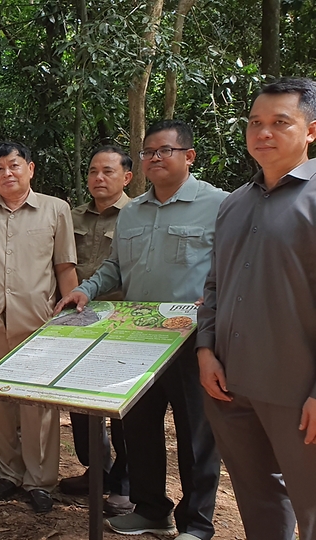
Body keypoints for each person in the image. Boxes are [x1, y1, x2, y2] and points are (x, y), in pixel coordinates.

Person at [55, 120, 226, 539]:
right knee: (140, 429)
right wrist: (85, 290)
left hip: (193, 339)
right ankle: (151, 510)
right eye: (149, 152)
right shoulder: (132, 211)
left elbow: (233, 265)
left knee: (196, 434)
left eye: (163, 151)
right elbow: (115, 267)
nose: (154, 158)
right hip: (139, 337)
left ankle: (197, 523)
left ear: (189, 156)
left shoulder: (221, 204)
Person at [196, 77, 316, 540]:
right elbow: (215, 283)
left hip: (296, 389)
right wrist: (205, 351)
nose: (263, 133)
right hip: (230, 386)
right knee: (256, 497)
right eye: (255, 122)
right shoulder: (234, 203)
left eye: (279, 123)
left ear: (310, 131)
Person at [0, 142, 78, 514]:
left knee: (37, 405)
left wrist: (73, 323)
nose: (4, 174)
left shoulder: (56, 210)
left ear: (30, 169)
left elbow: (65, 267)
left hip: (38, 325)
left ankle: (40, 481)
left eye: (13, 166)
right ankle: (8, 472)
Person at [58, 146, 134, 516]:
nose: (98, 179)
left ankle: (124, 481)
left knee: (123, 406)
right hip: (79, 322)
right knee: (81, 404)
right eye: (92, 172)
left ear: (127, 177)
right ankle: (96, 471)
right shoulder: (71, 216)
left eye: (107, 171)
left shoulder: (138, 215)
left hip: (125, 325)